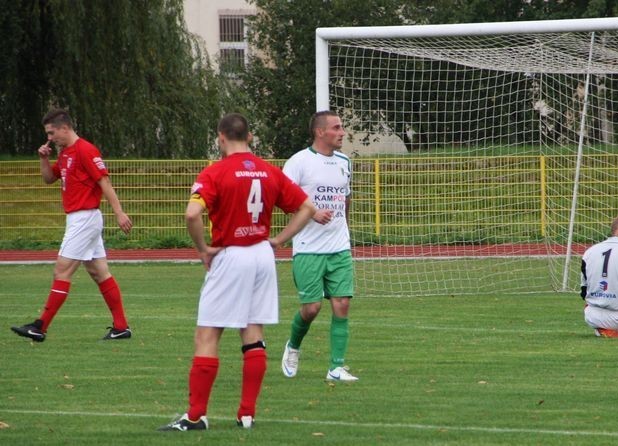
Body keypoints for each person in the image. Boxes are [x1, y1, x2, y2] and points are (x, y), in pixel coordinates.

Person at [159, 113, 315, 432]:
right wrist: (280, 240)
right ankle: (246, 414)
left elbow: (192, 214)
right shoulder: (270, 171)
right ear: (250, 136)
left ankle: (195, 416)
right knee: (252, 331)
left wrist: (203, 249)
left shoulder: (216, 172)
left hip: (231, 254)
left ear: (220, 137)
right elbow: (308, 208)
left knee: (208, 334)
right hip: (261, 254)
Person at [11, 108, 133, 342]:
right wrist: (43, 158)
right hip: (79, 218)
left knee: (62, 270)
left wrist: (119, 212)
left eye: (51, 132)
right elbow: (49, 179)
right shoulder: (66, 153)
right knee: (99, 272)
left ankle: (40, 326)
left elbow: (104, 181)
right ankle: (121, 327)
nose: (49, 137)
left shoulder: (85, 150)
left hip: (84, 217)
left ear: (64, 128)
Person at [280, 110, 359, 382]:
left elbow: (345, 198)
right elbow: (283, 198)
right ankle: (293, 345)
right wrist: (311, 213)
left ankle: (336, 367)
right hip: (308, 247)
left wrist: (344, 229)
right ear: (320, 132)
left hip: (339, 247)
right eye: (336, 127)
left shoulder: (344, 161)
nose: (342, 132)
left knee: (342, 303)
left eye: (342, 127)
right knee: (312, 308)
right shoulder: (298, 162)